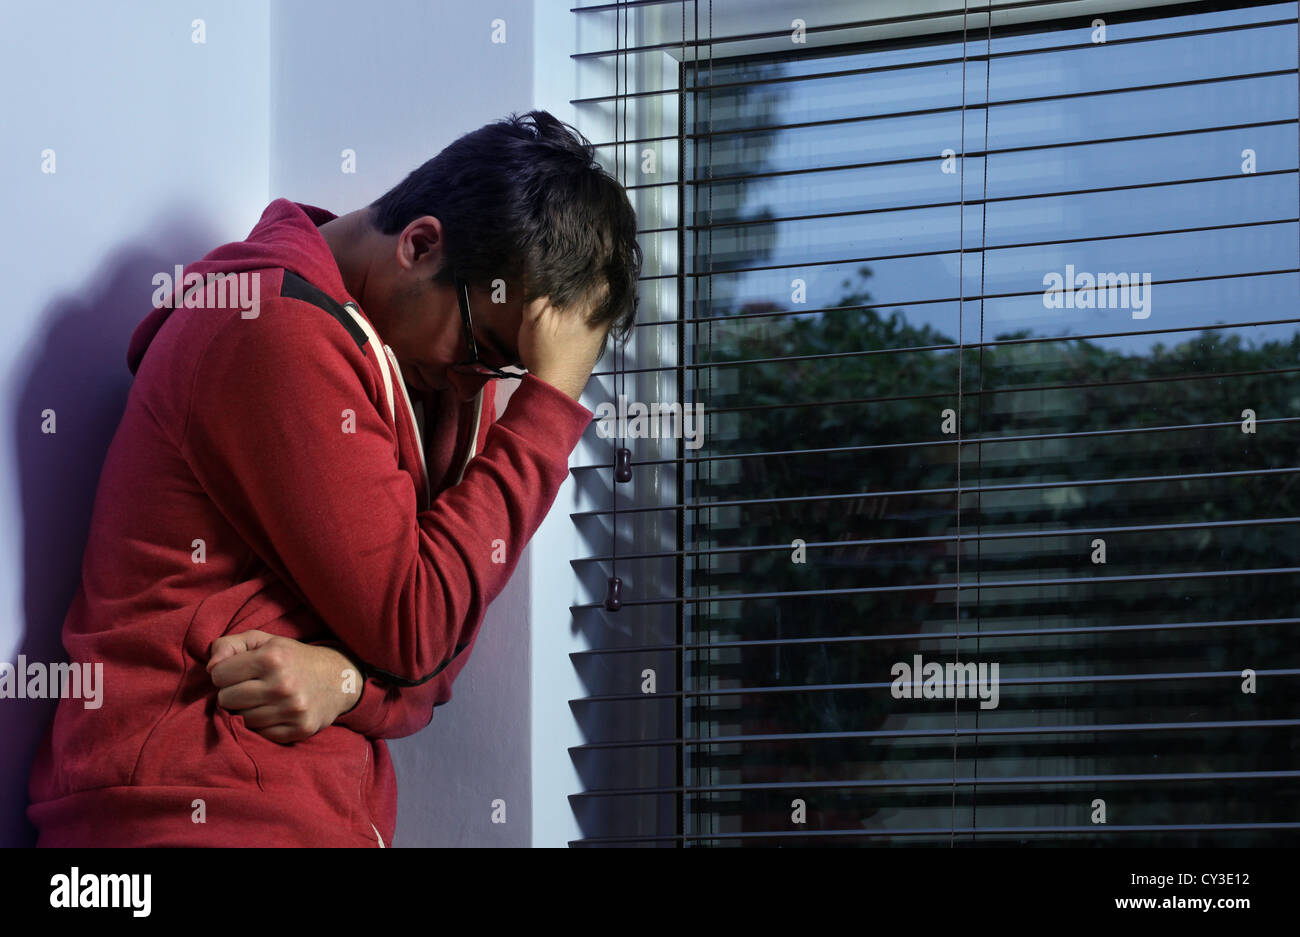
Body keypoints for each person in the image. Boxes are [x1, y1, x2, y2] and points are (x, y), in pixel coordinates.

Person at [26, 110, 641, 847]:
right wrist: (547, 409)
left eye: (513, 369)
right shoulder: (270, 330)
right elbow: (419, 628)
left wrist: (349, 683)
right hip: (179, 812)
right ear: (419, 244)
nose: (481, 381)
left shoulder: (438, 381)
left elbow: (435, 659)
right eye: (488, 348)